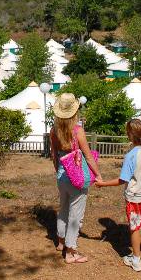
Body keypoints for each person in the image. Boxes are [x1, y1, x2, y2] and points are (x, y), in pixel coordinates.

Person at [95, 119, 141, 272]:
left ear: (129, 134)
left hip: (135, 198)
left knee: (134, 227)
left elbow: (122, 180)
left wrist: (102, 183)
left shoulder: (131, 155)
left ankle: (136, 260)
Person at [50, 92, 102, 264]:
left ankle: (61, 242)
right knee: (75, 215)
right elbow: (87, 157)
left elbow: (54, 155)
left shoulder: (53, 130)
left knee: (63, 209)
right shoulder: (78, 131)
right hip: (77, 178)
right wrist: (98, 175)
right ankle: (71, 252)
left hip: (61, 176)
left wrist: (59, 171)